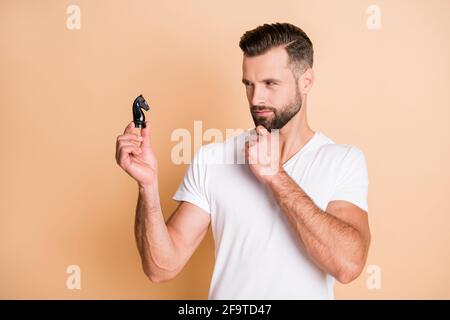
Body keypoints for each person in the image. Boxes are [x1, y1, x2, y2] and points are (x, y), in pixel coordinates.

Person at [115, 22, 371, 299]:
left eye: (270, 84)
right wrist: (148, 187)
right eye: (248, 85)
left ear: (306, 81)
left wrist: (276, 176)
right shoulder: (213, 159)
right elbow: (161, 268)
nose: (256, 98)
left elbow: (348, 265)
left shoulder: (342, 160)